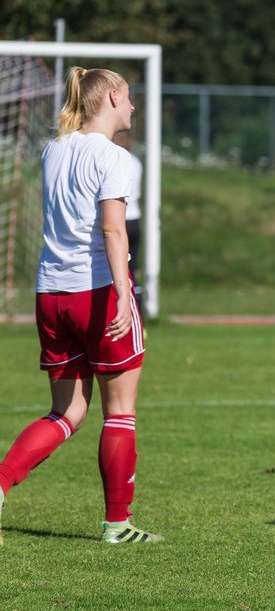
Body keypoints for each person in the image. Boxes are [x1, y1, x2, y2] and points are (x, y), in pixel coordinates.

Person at [0, 67, 160, 545]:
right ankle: (117, 525)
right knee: (120, 412)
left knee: (66, 413)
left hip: (51, 294)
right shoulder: (113, 157)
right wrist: (124, 294)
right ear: (112, 97)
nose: (133, 107)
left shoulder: (54, 149)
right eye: (129, 98)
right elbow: (113, 230)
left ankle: (1, 482)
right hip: (96, 291)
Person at [113, 129, 144, 297]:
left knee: (116, 272)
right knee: (132, 269)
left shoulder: (115, 161)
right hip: (135, 220)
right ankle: (138, 311)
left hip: (120, 220)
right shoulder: (136, 162)